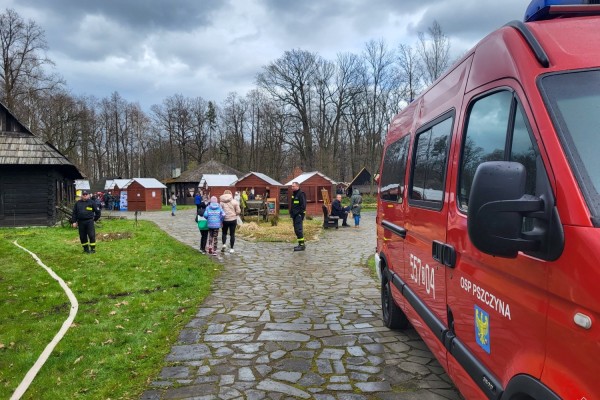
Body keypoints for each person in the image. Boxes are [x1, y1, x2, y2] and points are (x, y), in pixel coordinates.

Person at [290, 181, 307, 251]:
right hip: (294, 215)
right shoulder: (294, 194)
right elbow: (293, 205)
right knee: (296, 230)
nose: (292, 187)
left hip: (298, 215)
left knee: (299, 230)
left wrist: (300, 214)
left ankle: (302, 245)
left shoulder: (301, 194)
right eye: (292, 186)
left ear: (297, 186)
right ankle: (300, 243)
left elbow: (303, 205)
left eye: (293, 186)